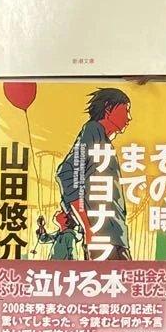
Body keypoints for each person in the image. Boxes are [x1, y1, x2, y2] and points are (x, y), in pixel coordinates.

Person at [56, 88, 132, 260]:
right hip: (103, 237)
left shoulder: (101, 139)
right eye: (126, 110)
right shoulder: (93, 131)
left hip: (113, 236)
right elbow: (65, 174)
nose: (129, 118)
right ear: (109, 108)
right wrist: (88, 227)